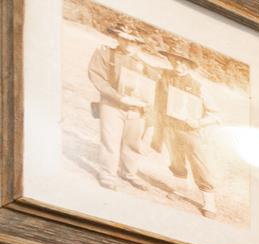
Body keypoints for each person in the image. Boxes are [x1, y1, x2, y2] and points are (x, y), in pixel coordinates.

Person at [86, 28, 153, 192]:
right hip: (112, 105)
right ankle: (107, 175)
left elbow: (150, 89)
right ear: (118, 37)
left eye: (134, 41)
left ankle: (129, 173)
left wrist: (144, 103)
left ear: (139, 44)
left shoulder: (144, 65)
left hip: (135, 109)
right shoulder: (105, 53)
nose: (129, 43)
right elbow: (96, 77)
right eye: (125, 38)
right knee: (110, 141)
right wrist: (119, 97)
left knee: (132, 143)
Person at [152, 50, 217, 216]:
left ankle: (209, 202)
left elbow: (215, 114)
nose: (178, 65)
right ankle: (181, 190)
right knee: (176, 161)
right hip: (170, 128)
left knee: (199, 164)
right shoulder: (165, 77)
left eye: (182, 62)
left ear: (189, 65)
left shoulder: (199, 87)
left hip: (190, 131)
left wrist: (199, 122)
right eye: (174, 61)